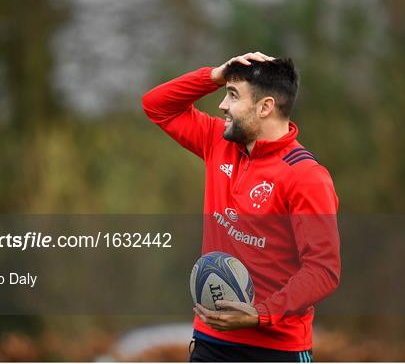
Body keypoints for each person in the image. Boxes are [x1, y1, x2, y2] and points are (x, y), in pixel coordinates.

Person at [142, 52, 340, 362]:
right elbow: (156, 105)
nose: (222, 105)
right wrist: (215, 76)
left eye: (233, 95)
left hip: (276, 351)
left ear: (265, 107)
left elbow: (323, 270)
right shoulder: (217, 142)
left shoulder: (307, 177)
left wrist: (261, 314)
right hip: (211, 341)